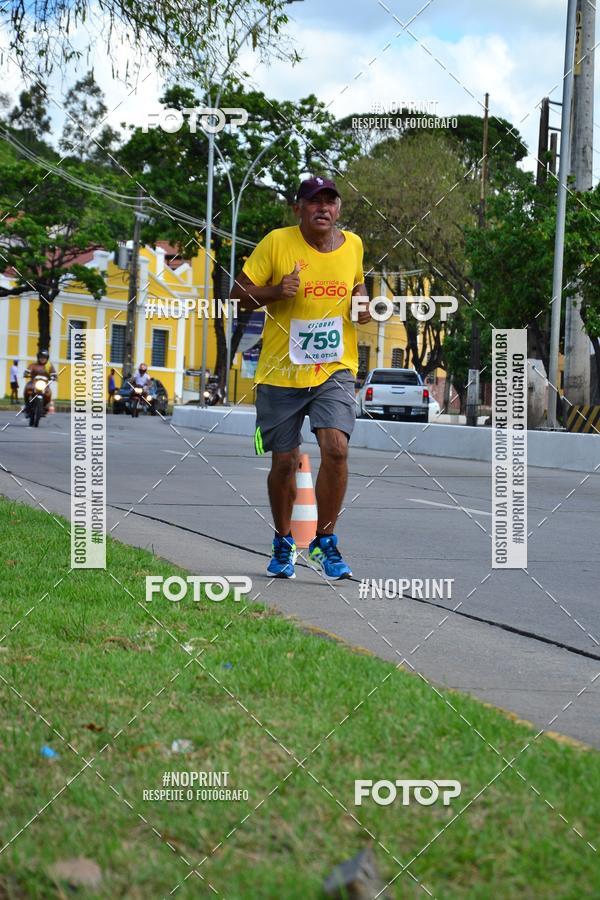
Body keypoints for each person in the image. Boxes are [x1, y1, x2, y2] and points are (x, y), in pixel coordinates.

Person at [231, 176, 371, 580]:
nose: (322, 208)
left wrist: (362, 301)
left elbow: (357, 282)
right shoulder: (277, 242)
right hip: (281, 370)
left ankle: (325, 542)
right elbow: (237, 294)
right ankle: (283, 540)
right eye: (313, 202)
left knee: (337, 449)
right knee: (285, 463)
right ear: (299, 209)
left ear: (339, 209)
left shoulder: (354, 245)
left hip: (334, 368)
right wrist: (276, 291)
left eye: (330, 201)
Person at [23, 350, 56, 415]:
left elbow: (53, 373)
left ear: (47, 358)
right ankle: (27, 404)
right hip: (33, 382)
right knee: (27, 389)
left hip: (44, 384)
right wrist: (26, 373)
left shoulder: (49, 366)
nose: (42, 359)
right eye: (41, 357)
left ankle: (45, 406)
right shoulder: (33, 365)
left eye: (44, 357)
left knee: (49, 393)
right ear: (38, 357)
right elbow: (28, 370)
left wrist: (54, 376)